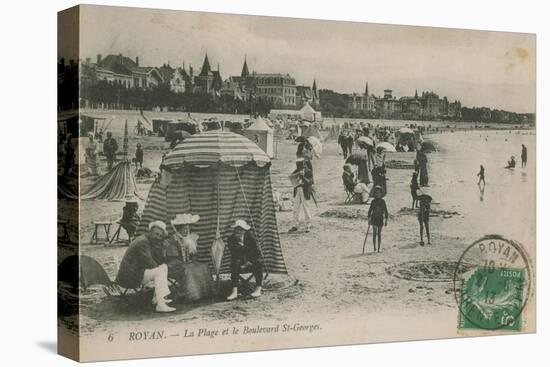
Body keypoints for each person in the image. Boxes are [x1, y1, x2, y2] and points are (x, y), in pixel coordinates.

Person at [115, 221, 176, 313]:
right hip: (129, 277)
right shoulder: (142, 242)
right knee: (161, 269)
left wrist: (162, 252)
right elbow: (150, 263)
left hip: (134, 273)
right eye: (156, 234)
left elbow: (154, 261)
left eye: (160, 236)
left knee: (162, 268)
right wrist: (162, 270)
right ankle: (160, 303)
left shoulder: (146, 240)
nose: (157, 237)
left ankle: (159, 298)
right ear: (150, 231)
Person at [226, 220, 264, 301]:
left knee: (258, 262)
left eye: (241, 229)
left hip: (251, 260)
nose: (238, 231)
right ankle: (234, 291)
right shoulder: (230, 239)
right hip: (240, 262)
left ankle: (258, 289)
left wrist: (248, 261)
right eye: (236, 229)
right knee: (234, 263)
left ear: (244, 230)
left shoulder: (250, 236)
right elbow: (235, 252)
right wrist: (244, 247)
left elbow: (257, 252)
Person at [289, 158, 313, 233]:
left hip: (305, 190)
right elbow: (292, 179)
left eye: (300, 165)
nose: (299, 167)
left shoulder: (308, 171)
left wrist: (303, 177)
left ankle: (308, 225)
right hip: (297, 190)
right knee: (295, 208)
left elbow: (310, 182)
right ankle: (295, 225)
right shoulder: (297, 171)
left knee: (306, 208)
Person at [367, 186, 389, 253]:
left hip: (380, 219)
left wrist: (386, 220)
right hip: (374, 218)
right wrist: (369, 219)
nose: (378, 194)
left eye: (379, 193)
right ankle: (374, 248)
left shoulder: (383, 202)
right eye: (376, 193)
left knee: (379, 234)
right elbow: (369, 211)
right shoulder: (373, 201)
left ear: (381, 194)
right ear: (375, 194)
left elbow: (386, 211)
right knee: (374, 233)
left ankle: (379, 248)